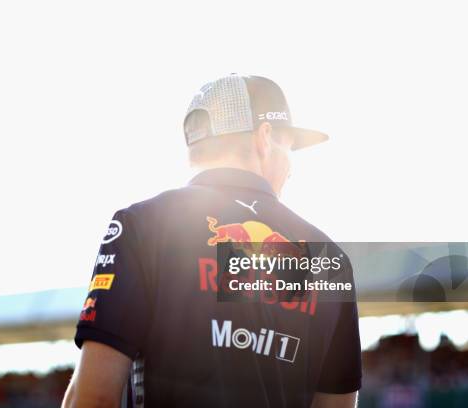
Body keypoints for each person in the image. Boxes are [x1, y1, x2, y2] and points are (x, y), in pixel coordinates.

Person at [62, 74, 362, 408]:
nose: (291, 167)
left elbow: (93, 397)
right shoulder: (328, 258)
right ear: (265, 138)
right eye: (290, 147)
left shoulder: (144, 225)